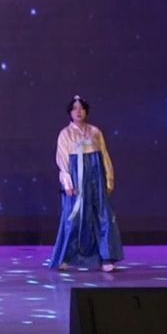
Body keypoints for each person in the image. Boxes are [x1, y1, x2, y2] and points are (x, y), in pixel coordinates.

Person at [47, 95, 123, 272]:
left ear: (86, 111)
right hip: (76, 179)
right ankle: (67, 257)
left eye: (81, 108)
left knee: (102, 216)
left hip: (95, 178)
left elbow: (104, 155)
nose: (78, 111)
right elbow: (62, 160)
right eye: (75, 108)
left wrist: (109, 178)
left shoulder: (95, 132)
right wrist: (67, 183)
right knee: (73, 217)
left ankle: (106, 257)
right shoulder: (65, 134)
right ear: (70, 113)